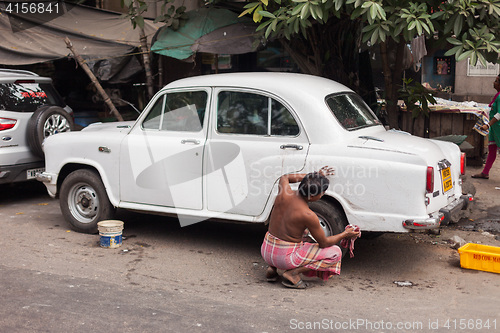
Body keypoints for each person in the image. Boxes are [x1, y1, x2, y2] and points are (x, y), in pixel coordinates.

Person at [261, 166, 361, 289]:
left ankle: (272, 268)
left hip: (266, 251)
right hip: (284, 258)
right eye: (322, 193)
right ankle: (292, 274)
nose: (323, 195)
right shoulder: (308, 215)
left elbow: (285, 177)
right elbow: (324, 243)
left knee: (300, 236)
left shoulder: (284, 193)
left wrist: (314, 176)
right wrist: (345, 234)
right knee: (335, 253)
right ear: (313, 196)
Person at [472, 74, 500, 179]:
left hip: (497, 127)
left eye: (496, 81)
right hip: (495, 128)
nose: (494, 83)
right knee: (492, 149)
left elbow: (499, 114)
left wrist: (488, 125)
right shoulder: (497, 95)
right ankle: (485, 172)